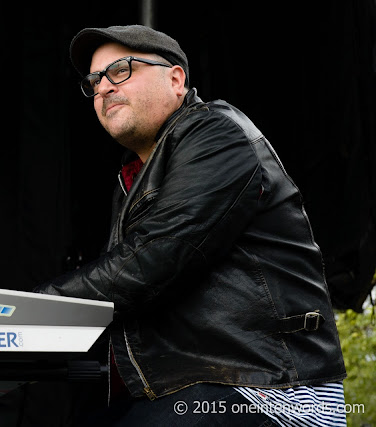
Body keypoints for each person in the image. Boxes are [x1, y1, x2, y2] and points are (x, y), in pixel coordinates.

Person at [34, 25, 347, 426]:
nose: (103, 89)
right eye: (94, 81)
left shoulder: (216, 133)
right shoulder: (134, 177)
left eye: (120, 70)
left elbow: (155, 257)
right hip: (197, 384)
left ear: (177, 80)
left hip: (270, 390)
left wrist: (33, 309)